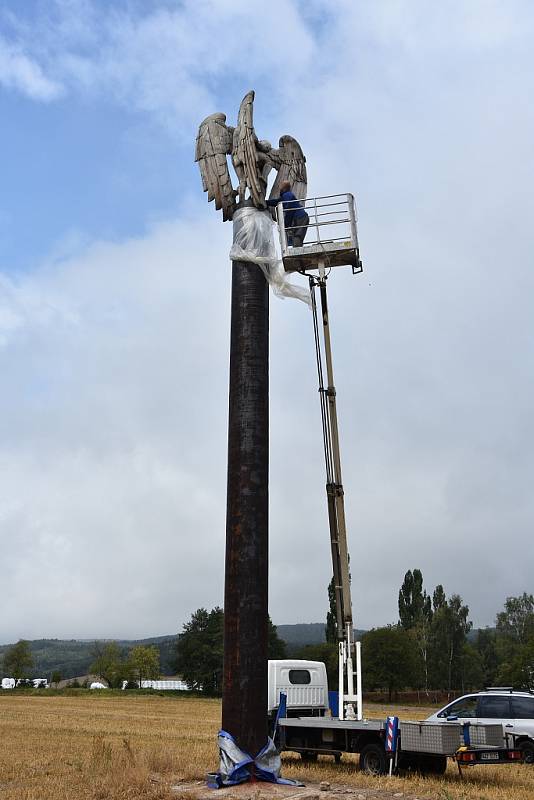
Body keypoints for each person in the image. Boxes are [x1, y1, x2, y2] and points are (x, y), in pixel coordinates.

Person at [267, 181, 309, 247]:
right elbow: (276, 202)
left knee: (297, 235)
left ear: (283, 188)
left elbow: (288, 208)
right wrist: (266, 202)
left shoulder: (288, 195)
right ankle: (296, 248)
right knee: (296, 235)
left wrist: (286, 223)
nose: (279, 190)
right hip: (301, 217)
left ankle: (297, 250)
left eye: (280, 188)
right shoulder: (285, 196)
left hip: (300, 217)